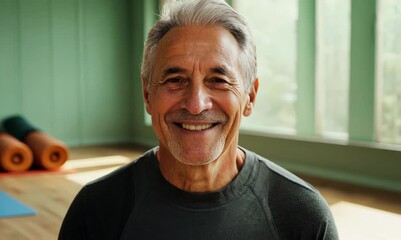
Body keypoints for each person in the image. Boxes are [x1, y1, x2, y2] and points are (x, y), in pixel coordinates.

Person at [59, 0, 339, 239]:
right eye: (175, 80)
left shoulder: (302, 217)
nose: (196, 104)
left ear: (250, 97)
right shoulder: (95, 210)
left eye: (218, 80)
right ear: (147, 94)